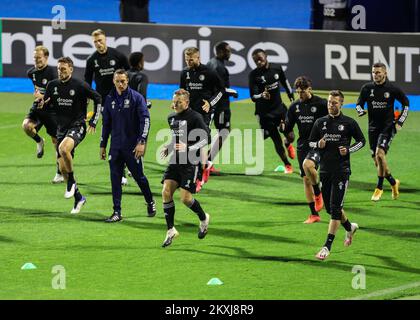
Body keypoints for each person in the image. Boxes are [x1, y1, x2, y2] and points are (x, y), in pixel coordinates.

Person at [39, 57, 102, 214]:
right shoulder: (52, 85)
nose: (61, 72)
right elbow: (47, 104)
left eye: (64, 69)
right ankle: (79, 198)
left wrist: (94, 120)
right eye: (59, 69)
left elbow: (98, 98)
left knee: (63, 149)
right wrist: (41, 103)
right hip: (61, 129)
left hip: (77, 126)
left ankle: (71, 182)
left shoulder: (80, 85)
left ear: (71, 69)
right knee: (63, 168)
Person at [309, 90, 365, 260]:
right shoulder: (320, 122)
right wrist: (318, 144)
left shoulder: (349, 123)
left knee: (335, 209)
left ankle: (327, 246)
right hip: (325, 170)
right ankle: (349, 227)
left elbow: (361, 141)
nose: (330, 105)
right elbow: (310, 142)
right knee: (330, 208)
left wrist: (348, 149)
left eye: (334, 102)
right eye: (329, 102)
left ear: (341, 104)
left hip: (342, 171)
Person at [100, 69, 156, 222]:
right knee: (115, 179)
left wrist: (141, 141)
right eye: (118, 81)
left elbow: (146, 120)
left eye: (123, 81)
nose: (120, 84)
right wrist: (103, 144)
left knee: (139, 178)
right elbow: (106, 124)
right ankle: (117, 211)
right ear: (113, 81)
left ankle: (150, 201)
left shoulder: (137, 98)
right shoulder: (109, 98)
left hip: (132, 147)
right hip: (115, 147)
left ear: (127, 81)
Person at [160, 89, 210, 247]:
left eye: (178, 102)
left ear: (186, 103)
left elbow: (207, 137)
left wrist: (188, 147)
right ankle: (170, 230)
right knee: (166, 191)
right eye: (174, 102)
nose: (175, 105)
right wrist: (169, 146)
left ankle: (203, 218)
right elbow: (176, 137)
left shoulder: (195, 117)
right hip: (176, 160)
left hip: (191, 161)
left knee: (185, 199)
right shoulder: (171, 118)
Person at [356, 62, 409, 202]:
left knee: (380, 154)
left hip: (387, 127)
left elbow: (406, 103)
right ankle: (393, 182)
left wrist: (400, 121)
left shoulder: (392, 89)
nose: (376, 75)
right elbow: (358, 104)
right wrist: (361, 111)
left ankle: (379, 188)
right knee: (377, 161)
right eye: (374, 72)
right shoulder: (367, 88)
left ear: (385, 73)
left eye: (378, 72)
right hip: (372, 128)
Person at [85, 29, 130, 185]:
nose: (98, 44)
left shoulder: (117, 55)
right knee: (110, 133)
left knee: (123, 134)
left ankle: (125, 168)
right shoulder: (91, 60)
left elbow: (130, 74)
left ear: (106, 40)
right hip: (104, 103)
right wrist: (88, 103)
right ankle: (122, 169)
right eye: (95, 42)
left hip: (121, 101)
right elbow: (87, 84)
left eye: (101, 40)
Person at [282, 76, 328, 223]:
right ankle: (314, 214)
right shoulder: (294, 107)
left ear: (310, 89)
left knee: (308, 166)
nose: (300, 94)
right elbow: (288, 128)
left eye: (302, 91)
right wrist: (283, 128)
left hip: (319, 143)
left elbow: (332, 121)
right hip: (303, 145)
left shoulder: (321, 104)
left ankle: (318, 192)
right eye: (298, 92)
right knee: (306, 179)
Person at [180, 47, 224, 191]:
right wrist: (177, 103)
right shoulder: (184, 73)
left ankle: (198, 178)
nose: (188, 62)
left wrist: (210, 103)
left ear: (198, 58)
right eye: (186, 59)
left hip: (204, 114)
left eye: (191, 59)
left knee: (198, 143)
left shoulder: (210, 73)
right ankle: (204, 167)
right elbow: (182, 91)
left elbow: (221, 90)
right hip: (188, 113)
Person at [249, 48, 295, 174]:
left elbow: (285, 83)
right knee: (276, 140)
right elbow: (253, 96)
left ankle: (288, 143)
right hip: (264, 114)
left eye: (260, 59)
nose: (258, 62)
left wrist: (292, 98)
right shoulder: (254, 75)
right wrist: (261, 96)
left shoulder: (277, 68)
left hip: (280, 109)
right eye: (255, 61)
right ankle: (287, 164)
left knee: (291, 136)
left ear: (266, 56)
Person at [22, 46, 64, 183]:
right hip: (37, 108)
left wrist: (43, 96)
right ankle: (39, 141)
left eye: (39, 58)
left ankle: (59, 173)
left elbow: (58, 94)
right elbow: (36, 87)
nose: (36, 60)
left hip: (51, 110)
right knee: (26, 126)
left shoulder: (53, 73)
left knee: (56, 141)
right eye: (34, 58)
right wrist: (38, 96)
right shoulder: (31, 73)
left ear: (46, 57)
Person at [206, 41, 238, 176]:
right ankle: (207, 163)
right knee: (223, 132)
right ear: (220, 52)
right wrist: (233, 92)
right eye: (227, 51)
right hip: (220, 106)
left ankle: (205, 162)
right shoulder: (220, 68)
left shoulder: (210, 63)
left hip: (212, 103)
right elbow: (221, 89)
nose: (229, 53)